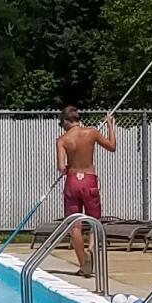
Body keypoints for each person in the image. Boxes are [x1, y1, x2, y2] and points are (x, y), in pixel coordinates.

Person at [54, 103, 117, 276]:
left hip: (73, 181)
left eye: (62, 124)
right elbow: (112, 146)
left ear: (66, 121)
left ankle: (83, 264)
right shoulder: (92, 133)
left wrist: (67, 167)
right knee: (94, 221)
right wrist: (110, 125)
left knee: (75, 225)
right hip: (89, 179)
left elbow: (61, 167)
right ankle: (90, 249)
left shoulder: (62, 140)